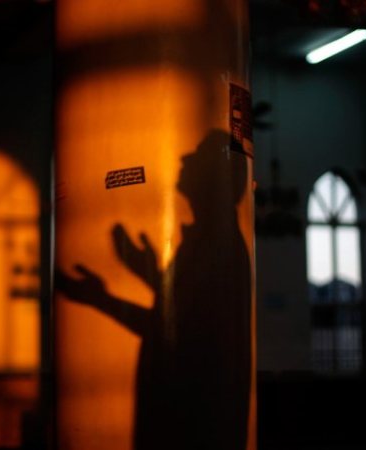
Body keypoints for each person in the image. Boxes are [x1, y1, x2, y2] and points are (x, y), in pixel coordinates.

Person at [57, 129, 251, 450]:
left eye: (198, 155)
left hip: (188, 425)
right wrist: (149, 275)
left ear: (215, 176)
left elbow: (174, 332)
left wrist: (101, 298)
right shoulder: (213, 240)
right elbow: (182, 314)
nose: (184, 157)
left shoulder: (216, 244)